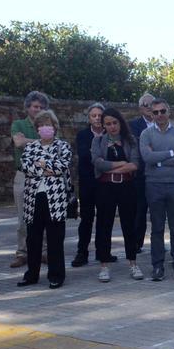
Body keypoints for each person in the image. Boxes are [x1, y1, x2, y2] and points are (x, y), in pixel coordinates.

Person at [16, 110, 72, 289]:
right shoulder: (30, 148)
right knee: (33, 239)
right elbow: (26, 167)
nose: (45, 128)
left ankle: (56, 275)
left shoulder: (63, 146)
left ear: (55, 127)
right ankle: (31, 274)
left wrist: (41, 164)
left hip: (55, 199)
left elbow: (61, 166)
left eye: (48, 125)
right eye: (41, 125)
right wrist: (48, 167)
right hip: (33, 198)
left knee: (55, 239)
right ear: (37, 129)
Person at [139, 97, 174, 282]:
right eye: (155, 112)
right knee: (157, 228)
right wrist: (170, 153)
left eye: (162, 111)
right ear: (151, 114)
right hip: (154, 185)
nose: (159, 115)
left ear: (169, 112)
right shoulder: (146, 134)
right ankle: (158, 266)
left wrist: (158, 159)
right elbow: (146, 157)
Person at [92, 108, 143, 282]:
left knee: (129, 224)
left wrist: (114, 166)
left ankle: (133, 263)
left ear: (120, 122)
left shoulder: (131, 140)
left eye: (115, 123)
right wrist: (121, 163)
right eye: (108, 124)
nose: (112, 127)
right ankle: (104, 265)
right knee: (104, 225)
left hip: (126, 186)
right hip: (105, 187)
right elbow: (97, 163)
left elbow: (134, 165)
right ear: (103, 125)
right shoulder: (98, 141)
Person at [10, 91, 50, 268]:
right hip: (24, 175)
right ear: (28, 107)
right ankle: (22, 252)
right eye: (35, 106)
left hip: (44, 176)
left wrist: (29, 141)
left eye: (41, 107)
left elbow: (55, 145)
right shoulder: (18, 124)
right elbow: (18, 143)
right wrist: (41, 141)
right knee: (23, 219)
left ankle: (44, 251)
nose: (38, 109)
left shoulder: (49, 124)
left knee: (45, 215)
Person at [72, 103, 106, 268]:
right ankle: (82, 252)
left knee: (104, 219)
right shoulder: (83, 135)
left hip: (105, 182)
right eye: (94, 115)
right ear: (89, 118)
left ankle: (102, 252)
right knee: (86, 218)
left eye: (100, 115)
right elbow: (86, 156)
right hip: (87, 182)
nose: (97, 118)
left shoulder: (111, 133)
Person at [130, 93, 161, 254]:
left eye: (152, 105)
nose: (150, 108)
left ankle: (159, 242)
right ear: (141, 107)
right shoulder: (133, 126)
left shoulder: (164, 124)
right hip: (142, 174)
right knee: (140, 210)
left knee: (159, 210)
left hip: (161, 173)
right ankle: (137, 243)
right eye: (147, 105)